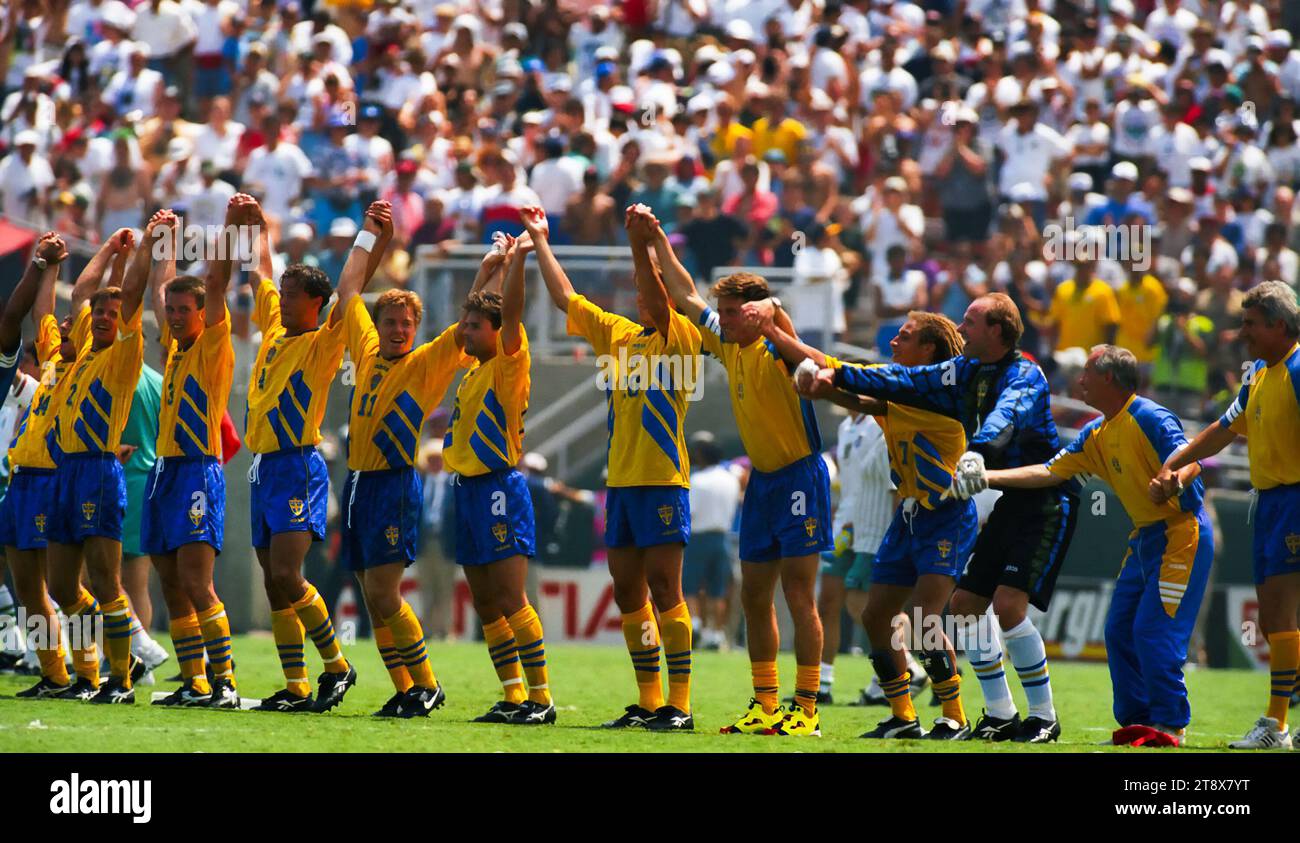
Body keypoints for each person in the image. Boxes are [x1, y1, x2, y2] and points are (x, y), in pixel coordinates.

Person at [967, 345, 1211, 748]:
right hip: (1146, 538)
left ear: (1108, 379)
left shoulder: (1148, 416)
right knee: (1117, 631)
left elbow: (1194, 459)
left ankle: (1170, 727)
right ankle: (1139, 722)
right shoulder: (1095, 432)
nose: (1078, 381)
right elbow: (1049, 471)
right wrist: (988, 477)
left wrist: (1174, 479)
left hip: (1181, 535)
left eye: (1086, 374)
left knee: (1152, 632)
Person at [649, 213, 830, 738]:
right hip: (764, 484)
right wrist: (658, 237)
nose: (721, 319)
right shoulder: (730, 344)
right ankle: (766, 704)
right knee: (753, 595)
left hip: (800, 477)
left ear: (753, 312)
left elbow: (816, 359)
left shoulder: (778, 348)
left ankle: (808, 709)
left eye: (731, 312)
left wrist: (772, 313)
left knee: (799, 594)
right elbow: (685, 295)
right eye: (723, 312)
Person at [524, 203, 700, 731]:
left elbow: (668, 291)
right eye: (638, 292)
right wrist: (539, 241)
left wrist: (642, 243)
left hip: (664, 482)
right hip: (620, 484)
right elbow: (565, 298)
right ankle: (648, 701)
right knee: (628, 592)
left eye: (651, 292)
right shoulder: (619, 335)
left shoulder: (681, 339)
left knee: (666, 590)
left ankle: (681, 705)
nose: (642, 297)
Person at [782, 312, 975, 740]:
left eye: (904, 338)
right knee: (874, 616)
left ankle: (955, 717)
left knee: (924, 619)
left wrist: (788, 342)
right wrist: (825, 387)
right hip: (909, 515)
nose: (893, 343)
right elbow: (866, 402)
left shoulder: (935, 394)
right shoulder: (907, 391)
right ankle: (903, 717)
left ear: (928, 350)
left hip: (945, 515)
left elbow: (867, 391)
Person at [335, 202, 473, 719]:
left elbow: (465, 327)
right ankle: (405, 687)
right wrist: (373, 235)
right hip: (360, 485)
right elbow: (349, 288)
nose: (397, 329)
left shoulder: (423, 363)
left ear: (417, 327)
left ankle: (427, 683)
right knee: (373, 598)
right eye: (390, 321)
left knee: (384, 593)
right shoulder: (367, 352)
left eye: (406, 322)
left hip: (394, 482)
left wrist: (491, 270)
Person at [1159, 281, 1300, 749]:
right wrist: (1175, 463)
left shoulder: (1298, 369)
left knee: (1280, 613)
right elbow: (1223, 429)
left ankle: (1275, 726)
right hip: (1269, 502)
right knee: (1272, 619)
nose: (1242, 333)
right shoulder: (1260, 371)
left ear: (1279, 326)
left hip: (1294, 500)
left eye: (1250, 324)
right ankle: (1280, 723)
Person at [241, 196, 358, 714]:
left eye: (292, 295)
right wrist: (257, 227)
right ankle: (296, 685)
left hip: (296, 464)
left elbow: (351, 288)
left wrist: (371, 237)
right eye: (283, 293)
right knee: (273, 582)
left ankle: (338, 665)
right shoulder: (274, 328)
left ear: (315, 302)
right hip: (264, 466)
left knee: (289, 575)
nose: (281, 300)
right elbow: (259, 275)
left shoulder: (320, 343)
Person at [444, 225, 554, 726]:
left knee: (511, 598)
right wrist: (494, 264)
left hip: (498, 490)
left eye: (473, 327)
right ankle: (512, 697)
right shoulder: (473, 370)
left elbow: (509, 312)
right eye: (465, 326)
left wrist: (521, 261)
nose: (465, 332)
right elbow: (482, 306)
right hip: (466, 490)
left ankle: (540, 697)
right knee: (486, 601)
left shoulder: (509, 363)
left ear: (497, 331)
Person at [44, 218, 152, 704]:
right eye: (101, 312)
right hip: (66, 471)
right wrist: (110, 247)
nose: (104, 316)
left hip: (98, 472)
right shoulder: (87, 345)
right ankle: (89, 674)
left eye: (113, 311)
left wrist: (145, 247)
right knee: (64, 584)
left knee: (108, 580)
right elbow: (81, 292)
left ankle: (122, 678)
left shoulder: (125, 353)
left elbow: (133, 291)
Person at [141, 200, 244, 708]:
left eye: (186, 311)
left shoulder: (212, 345)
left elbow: (219, 282)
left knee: (197, 582)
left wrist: (228, 229)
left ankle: (223, 681)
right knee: (169, 577)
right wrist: (165, 237)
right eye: (174, 311)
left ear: (204, 314)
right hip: (165, 472)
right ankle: (194, 679)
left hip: (199, 471)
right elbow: (161, 288)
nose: (177, 317)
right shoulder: (175, 348)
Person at [5, 233, 94, 698]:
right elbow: (42, 313)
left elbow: (83, 307)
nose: (60, 325)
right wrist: (52, 264)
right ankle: (54, 673)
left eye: (72, 323)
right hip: (21, 481)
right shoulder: (57, 363)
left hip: (52, 481)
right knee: (29, 593)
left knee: (64, 588)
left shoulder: (93, 366)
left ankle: (92, 669)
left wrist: (114, 257)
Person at [683, 432, 739, 652]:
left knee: (691, 586)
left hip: (698, 537)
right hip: (722, 538)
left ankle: (695, 625)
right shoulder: (730, 479)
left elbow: (690, 512)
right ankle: (716, 634)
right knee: (718, 589)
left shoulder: (697, 480)